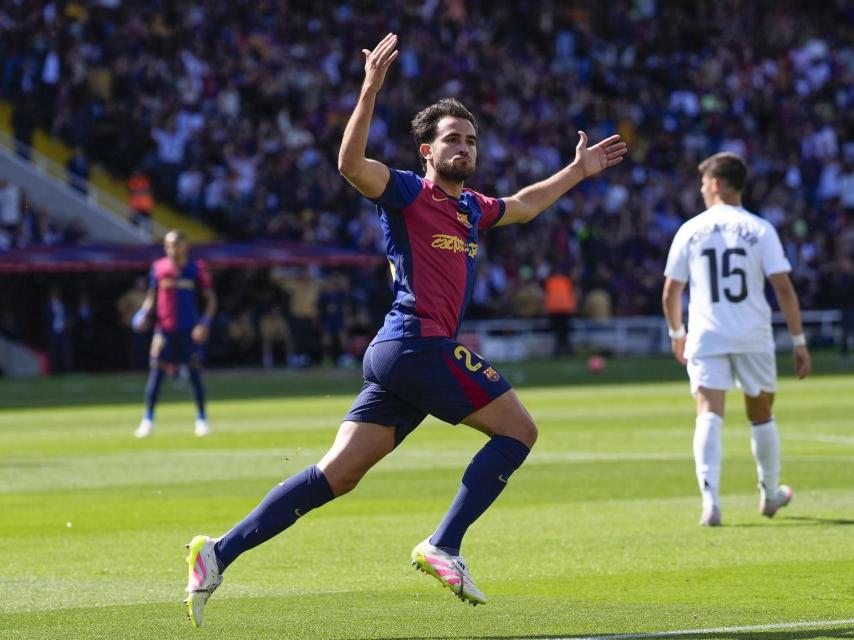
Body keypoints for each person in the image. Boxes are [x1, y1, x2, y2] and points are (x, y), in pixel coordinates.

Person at [182, 33, 626, 627]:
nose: (464, 147)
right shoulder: (410, 192)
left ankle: (217, 553)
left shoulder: (471, 207)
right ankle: (444, 544)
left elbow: (523, 204)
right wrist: (369, 89)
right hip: (417, 344)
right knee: (519, 430)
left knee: (337, 475)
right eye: (452, 139)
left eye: (470, 140)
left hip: (400, 355)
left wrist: (577, 171)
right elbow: (349, 166)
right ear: (426, 150)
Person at [661, 152, 812, 527]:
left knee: (709, 411)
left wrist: (677, 334)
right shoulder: (760, 229)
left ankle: (710, 503)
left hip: (706, 334)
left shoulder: (690, 229)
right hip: (752, 334)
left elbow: (670, 293)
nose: (701, 189)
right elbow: (784, 290)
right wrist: (798, 341)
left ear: (715, 184)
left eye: (703, 183)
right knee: (761, 413)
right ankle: (770, 493)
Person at [132, 229, 217, 438]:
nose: (172, 249)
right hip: (164, 330)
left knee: (194, 374)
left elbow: (211, 300)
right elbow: (152, 297)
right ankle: (148, 420)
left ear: (185, 246)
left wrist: (204, 323)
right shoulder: (159, 268)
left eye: (176, 244)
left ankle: (202, 419)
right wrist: (143, 314)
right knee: (156, 374)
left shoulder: (196, 268)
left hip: (189, 330)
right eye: (169, 245)